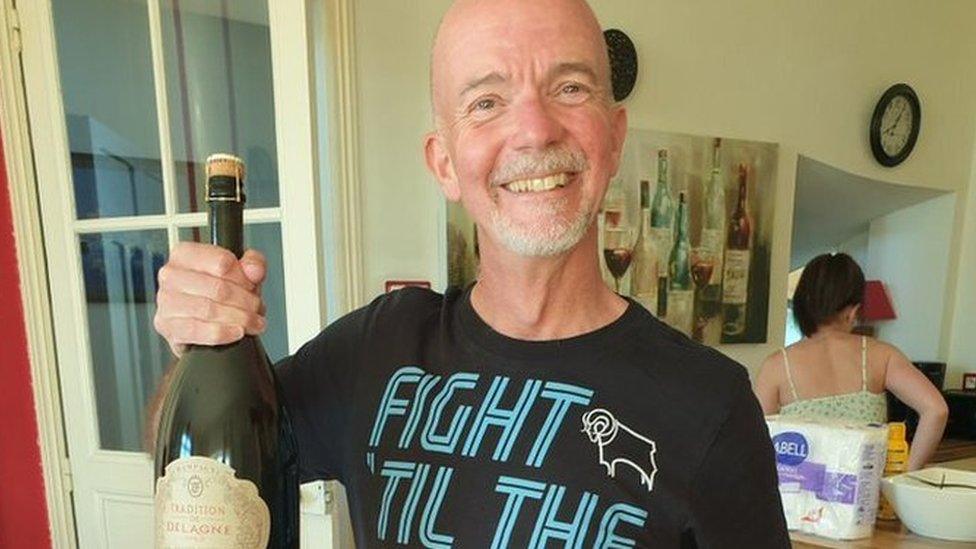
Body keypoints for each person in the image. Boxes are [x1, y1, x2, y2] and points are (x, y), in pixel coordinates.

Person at [151, 0, 790, 546]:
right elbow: (186, 452)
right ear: (445, 164)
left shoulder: (712, 404)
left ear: (614, 136)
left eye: (570, 88)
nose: (534, 130)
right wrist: (197, 349)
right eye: (487, 102)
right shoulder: (377, 349)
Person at [754, 253, 948, 471]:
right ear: (854, 310)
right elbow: (936, 410)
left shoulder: (777, 365)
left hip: (799, 499)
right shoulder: (880, 354)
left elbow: (756, 441)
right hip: (866, 497)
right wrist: (906, 474)